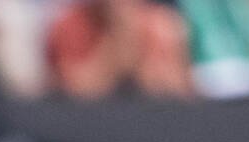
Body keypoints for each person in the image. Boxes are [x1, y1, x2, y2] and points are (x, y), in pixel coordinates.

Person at [46, 0, 193, 97]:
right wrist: (117, 37)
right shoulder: (70, 25)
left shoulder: (160, 24)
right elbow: (77, 92)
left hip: (151, 124)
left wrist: (134, 42)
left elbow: (178, 91)